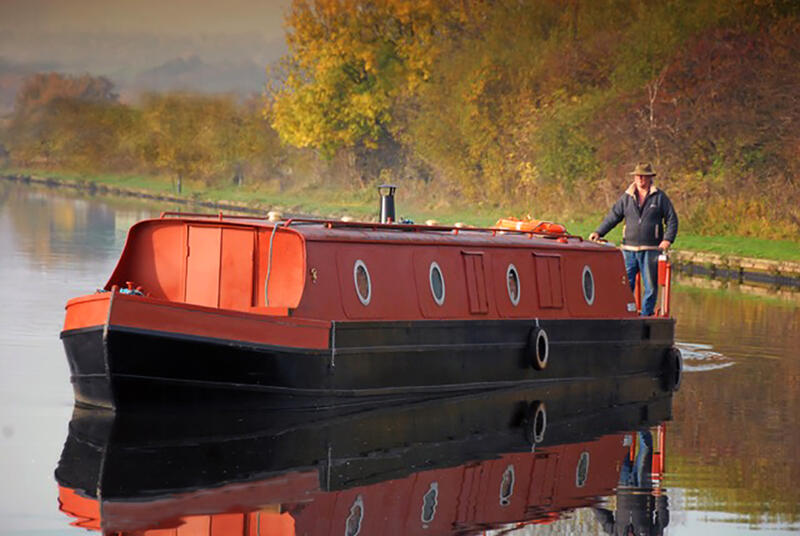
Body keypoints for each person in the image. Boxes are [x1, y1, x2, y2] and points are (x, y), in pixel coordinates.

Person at [589, 163, 678, 316]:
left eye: (643, 176)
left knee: (650, 286)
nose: (640, 179)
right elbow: (613, 217)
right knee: (625, 284)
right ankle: (624, 313)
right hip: (628, 250)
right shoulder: (627, 197)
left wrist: (667, 240)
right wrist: (599, 232)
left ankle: (645, 315)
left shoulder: (660, 197)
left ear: (650, 178)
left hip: (650, 250)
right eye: (637, 176)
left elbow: (672, 220)